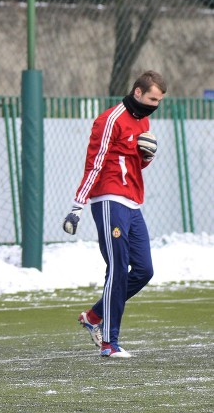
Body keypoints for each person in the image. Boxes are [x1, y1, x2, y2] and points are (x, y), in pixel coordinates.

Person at [63, 70, 165, 358]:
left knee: (144, 270)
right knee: (117, 269)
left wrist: (147, 157)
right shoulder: (109, 120)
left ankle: (94, 316)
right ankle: (109, 343)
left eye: (159, 101)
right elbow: (93, 164)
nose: (155, 105)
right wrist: (77, 207)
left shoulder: (143, 120)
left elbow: (134, 165)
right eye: (152, 99)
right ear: (137, 93)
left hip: (133, 202)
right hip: (108, 199)